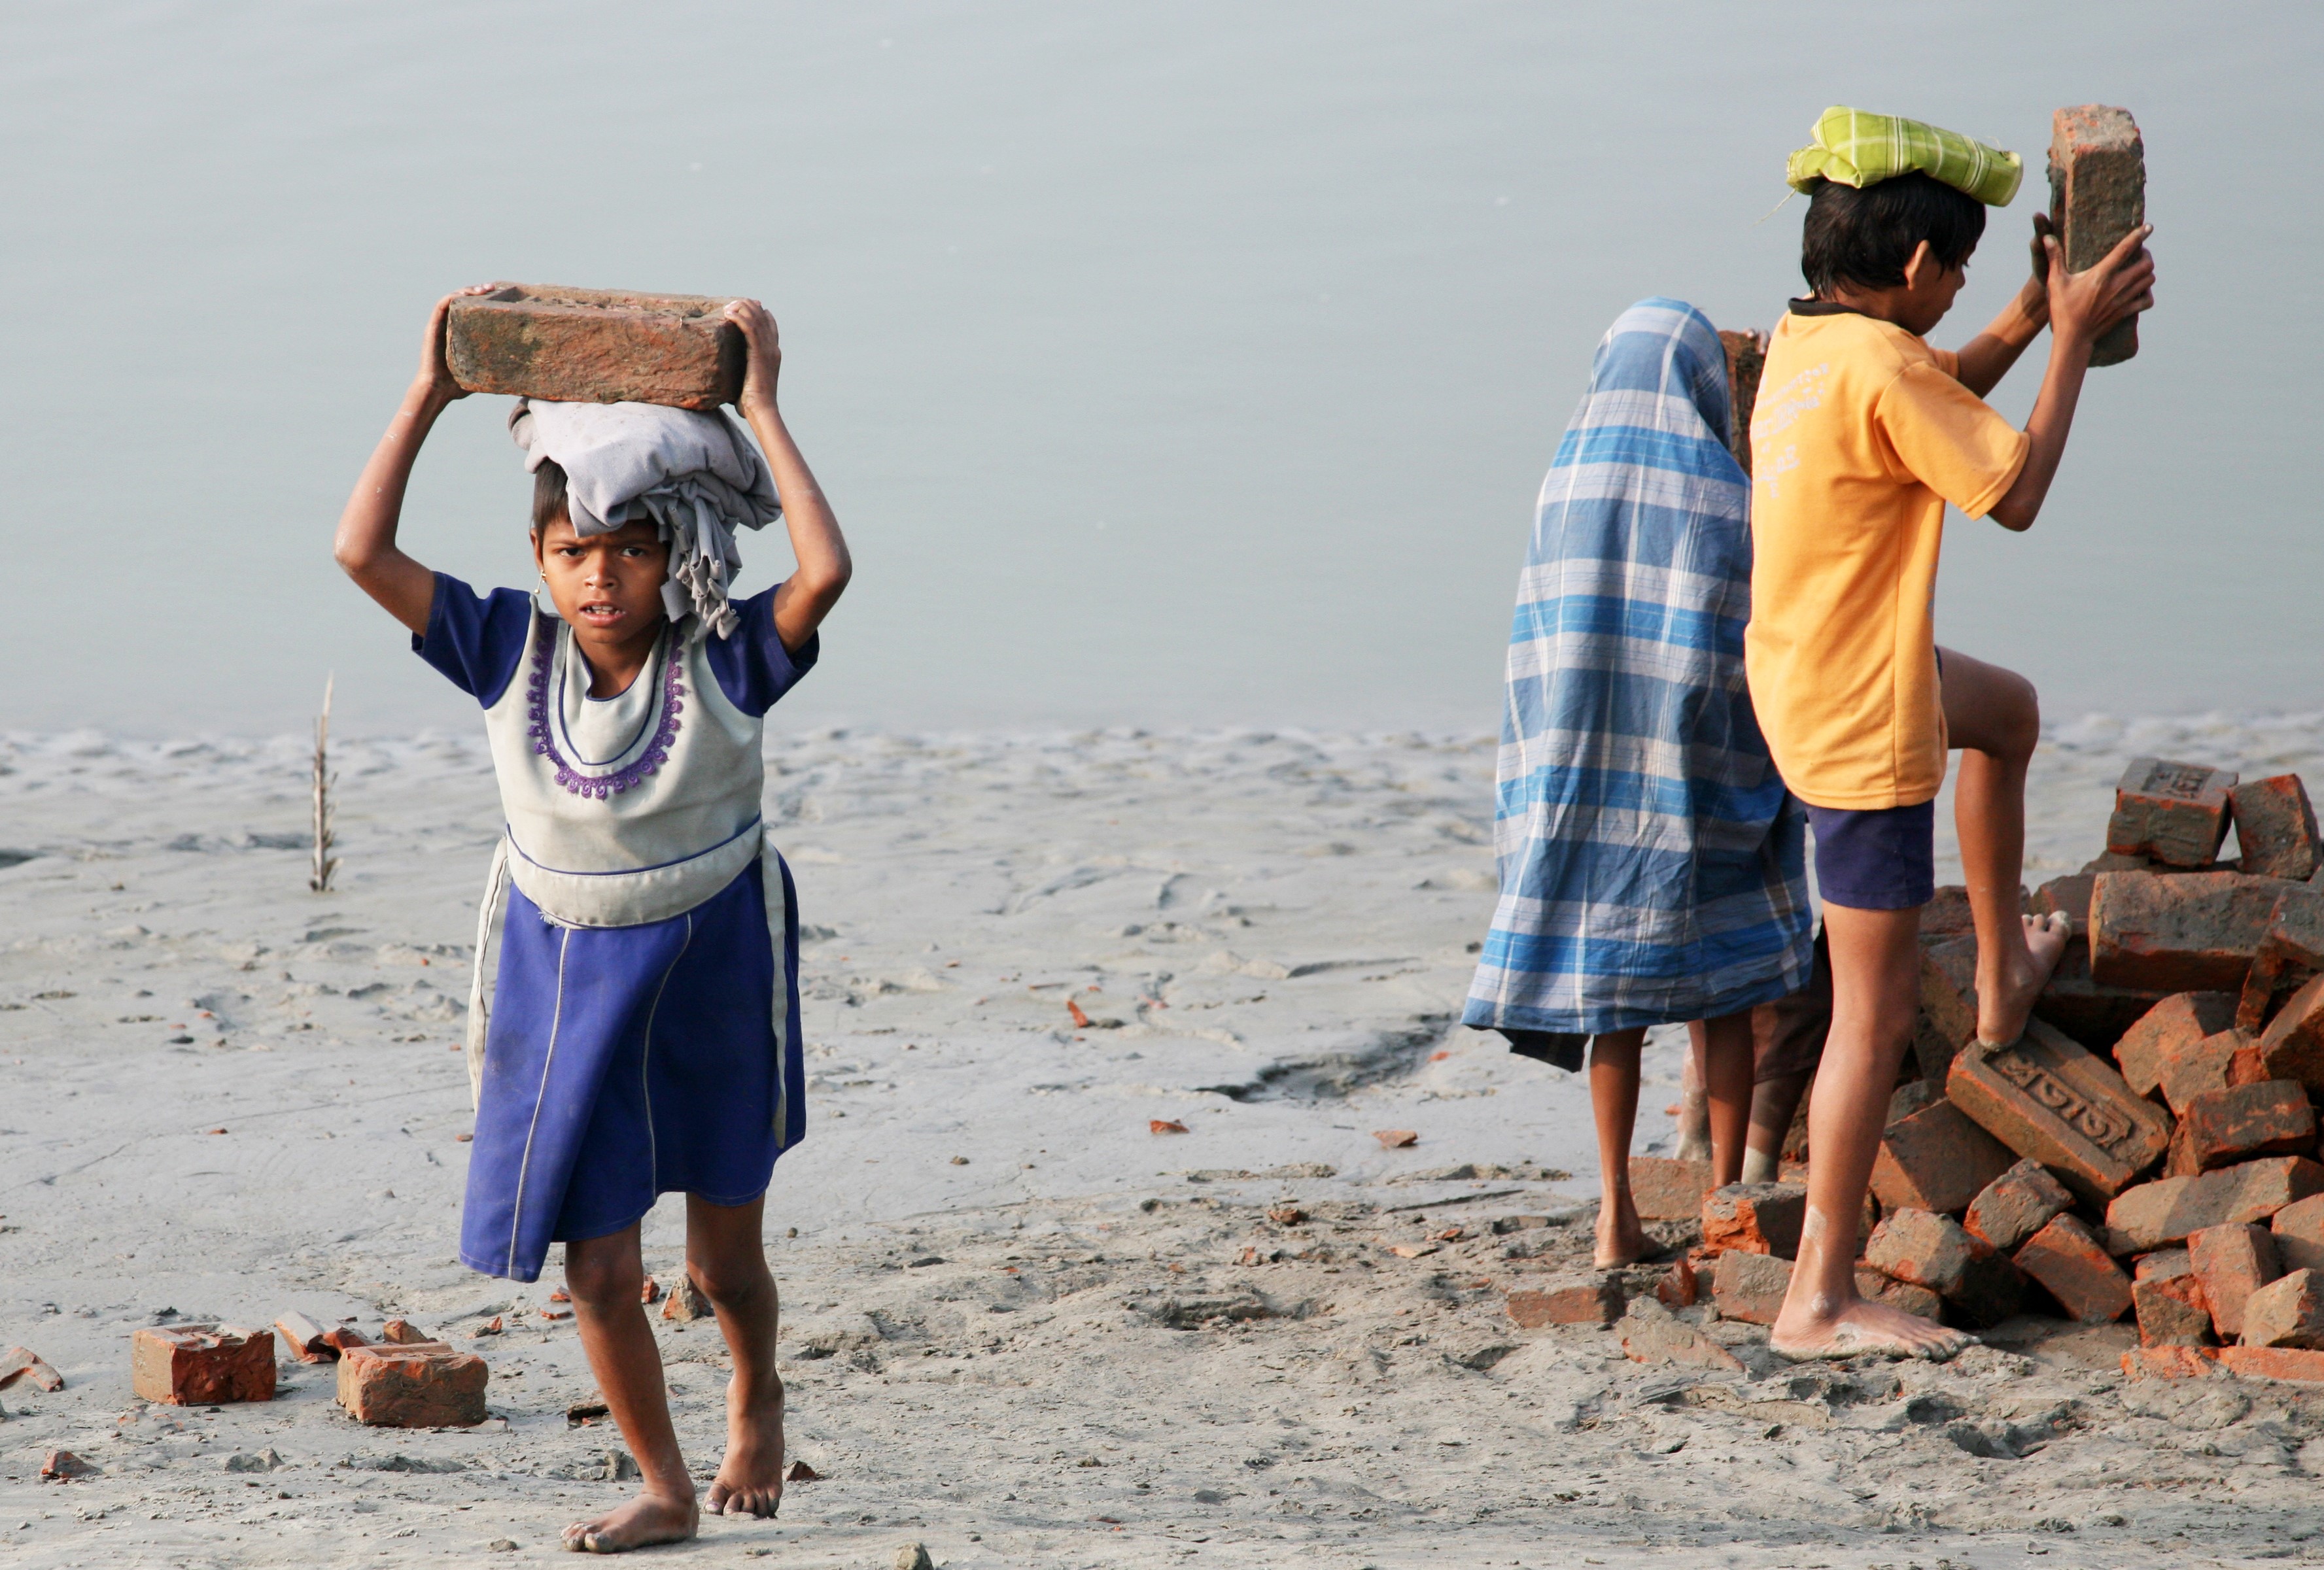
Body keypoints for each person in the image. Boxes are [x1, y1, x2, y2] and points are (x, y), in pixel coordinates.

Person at [334, 286, 851, 1550]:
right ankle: (666, 1487)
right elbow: (360, 553)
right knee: (601, 1269)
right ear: (540, 562)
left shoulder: (723, 658)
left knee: (722, 1264)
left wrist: (763, 407)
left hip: (711, 964)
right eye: (573, 550)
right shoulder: (506, 648)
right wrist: (429, 395)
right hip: (559, 974)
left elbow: (827, 568)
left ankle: (756, 1388)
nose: (600, 573)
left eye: (627, 548)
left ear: (673, 555)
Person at [1746, 108, 2156, 1359]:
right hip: (1861, 716)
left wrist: (2031, 315)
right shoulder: (1877, 366)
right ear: (1917, 268)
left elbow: (1930, 398)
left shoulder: (1808, 347)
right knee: (1866, 1017)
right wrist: (2075, 341)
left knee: (2008, 713)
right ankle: (1816, 1297)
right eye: (1965, 270)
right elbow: (2014, 492)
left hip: (1814, 671)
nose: (1968, 286)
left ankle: (1994, 979)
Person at [1464, 299, 1816, 1269]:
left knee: (1613, 1006)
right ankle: (1721, 1210)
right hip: (1700, 779)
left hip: (1590, 784)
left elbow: (1538, 644)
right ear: (1698, 381)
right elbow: (1749, 636)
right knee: (1724, 996)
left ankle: (1613, 1213)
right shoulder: (1725, 491)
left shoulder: (1562, 483)